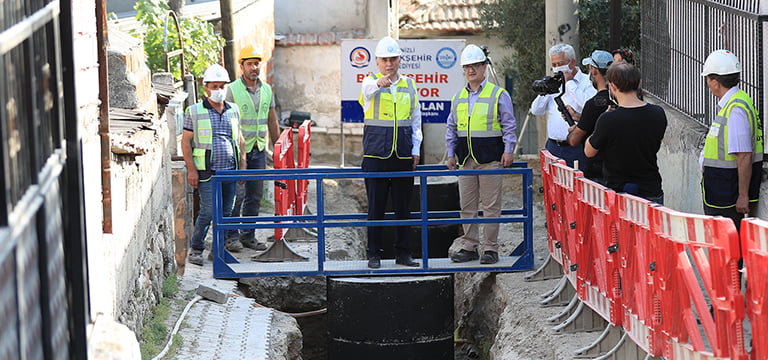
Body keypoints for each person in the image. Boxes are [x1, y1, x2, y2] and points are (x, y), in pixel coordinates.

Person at [446, 44, 517, 265]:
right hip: (466, 160)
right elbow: (452, 127)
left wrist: (509, 150)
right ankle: (469, 247)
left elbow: (509, 125)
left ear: (484, 67)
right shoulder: (458, 97)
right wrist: (450, 153)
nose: (471, 70)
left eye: (475, 65)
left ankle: (490, 249)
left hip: (490, 159)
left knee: (490, 205)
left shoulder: (498, 94)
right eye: (467, 67)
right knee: (466, 205)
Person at [358, 36, 423, 269]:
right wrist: (378, 85)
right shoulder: (370, 82)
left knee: (403, 208)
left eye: (393, 59)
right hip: (376, 155)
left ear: (399, 60)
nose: (389, 64)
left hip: (403, 155)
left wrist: (416, 149)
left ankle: (403, 254)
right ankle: (373, 254)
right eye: (385, 59)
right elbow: (366, 92)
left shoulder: (409, 84)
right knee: (375, 207)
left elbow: (416, 121)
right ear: (377, 62)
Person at [182, 64, 247, 266]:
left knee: (226, 212)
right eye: (214, 86)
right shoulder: (194, 111)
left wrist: (242, 169)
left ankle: (217, 250)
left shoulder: (233, 110)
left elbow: (240, 140)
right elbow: (185, 142)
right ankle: (197, 249)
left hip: (230, 171)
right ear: (206, 88)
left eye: (222, 86)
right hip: (207, 172)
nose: (219, 90)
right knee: (209, 211)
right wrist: (191, 170)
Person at [224, 45, 281, 252]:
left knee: (254, 195)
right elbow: (226, 120)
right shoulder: (231, 90)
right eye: (249, 64)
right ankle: (231, 237)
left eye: (256, 63)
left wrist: (277, 149)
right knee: (236, 195)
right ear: (242, 66)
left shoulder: (266, 90)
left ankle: (248, 235)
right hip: (238, 151)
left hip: (258, 149)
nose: (254, 68)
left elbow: (272, 120)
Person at [700, 49, 763, 231]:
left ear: (716, 82)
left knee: (727, 253)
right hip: (721, 191)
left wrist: (743, 195)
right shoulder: (734, 102)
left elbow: (744, 155)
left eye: (708, 79)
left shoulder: (735, 110)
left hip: (727, 195)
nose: (707, 84)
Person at [585, 63, 667, 204]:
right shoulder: (658, 113)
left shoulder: (607, 119)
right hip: (650, 189)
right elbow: (656, 143)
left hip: (617, 193)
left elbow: (589, 151)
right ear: (639, 83)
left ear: (613, 86)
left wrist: (598, 127)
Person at [530, 43, 596, 168]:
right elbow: (536, 110)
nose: (557, 68)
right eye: (554, 65)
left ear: (572, 63)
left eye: (560, 64)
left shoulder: (587, 82)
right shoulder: (555, 83)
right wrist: (545, 91)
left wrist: (570, 83)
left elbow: (588, 105)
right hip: (553, 147)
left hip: (576, 147)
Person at [566, 50, 613, 182]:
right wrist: (578, 117)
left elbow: (574, 140)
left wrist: (574, 130)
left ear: (594, 70)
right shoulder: (620, 100)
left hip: (598, 173)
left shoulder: (593, 104)